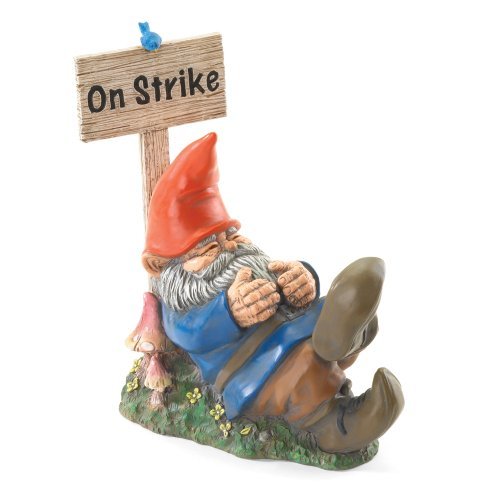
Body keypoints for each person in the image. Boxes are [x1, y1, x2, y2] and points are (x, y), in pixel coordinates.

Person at [142, 132, 404, 453]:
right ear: (167, 268)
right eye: (210, 248)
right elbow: (192, 334)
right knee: (303, 365)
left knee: (332, 320)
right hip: (253, 364)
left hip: (296, 326)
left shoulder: (247, 265)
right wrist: (230, 311)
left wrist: (302, 278)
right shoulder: (180, 306)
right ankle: (338, 425)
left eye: (232, 238)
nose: (229, 251)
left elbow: (275, 272)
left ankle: (342, 336)